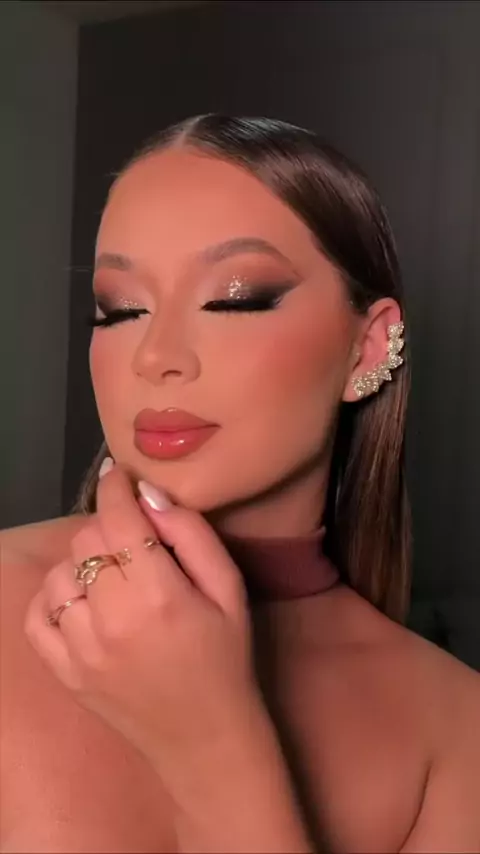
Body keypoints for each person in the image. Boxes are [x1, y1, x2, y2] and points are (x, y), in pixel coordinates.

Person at [1, 115, 479, 854]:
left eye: (235, 298)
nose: (155, 356)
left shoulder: (455, 729)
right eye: (120, 309)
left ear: (368, 348)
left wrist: (215, 748)